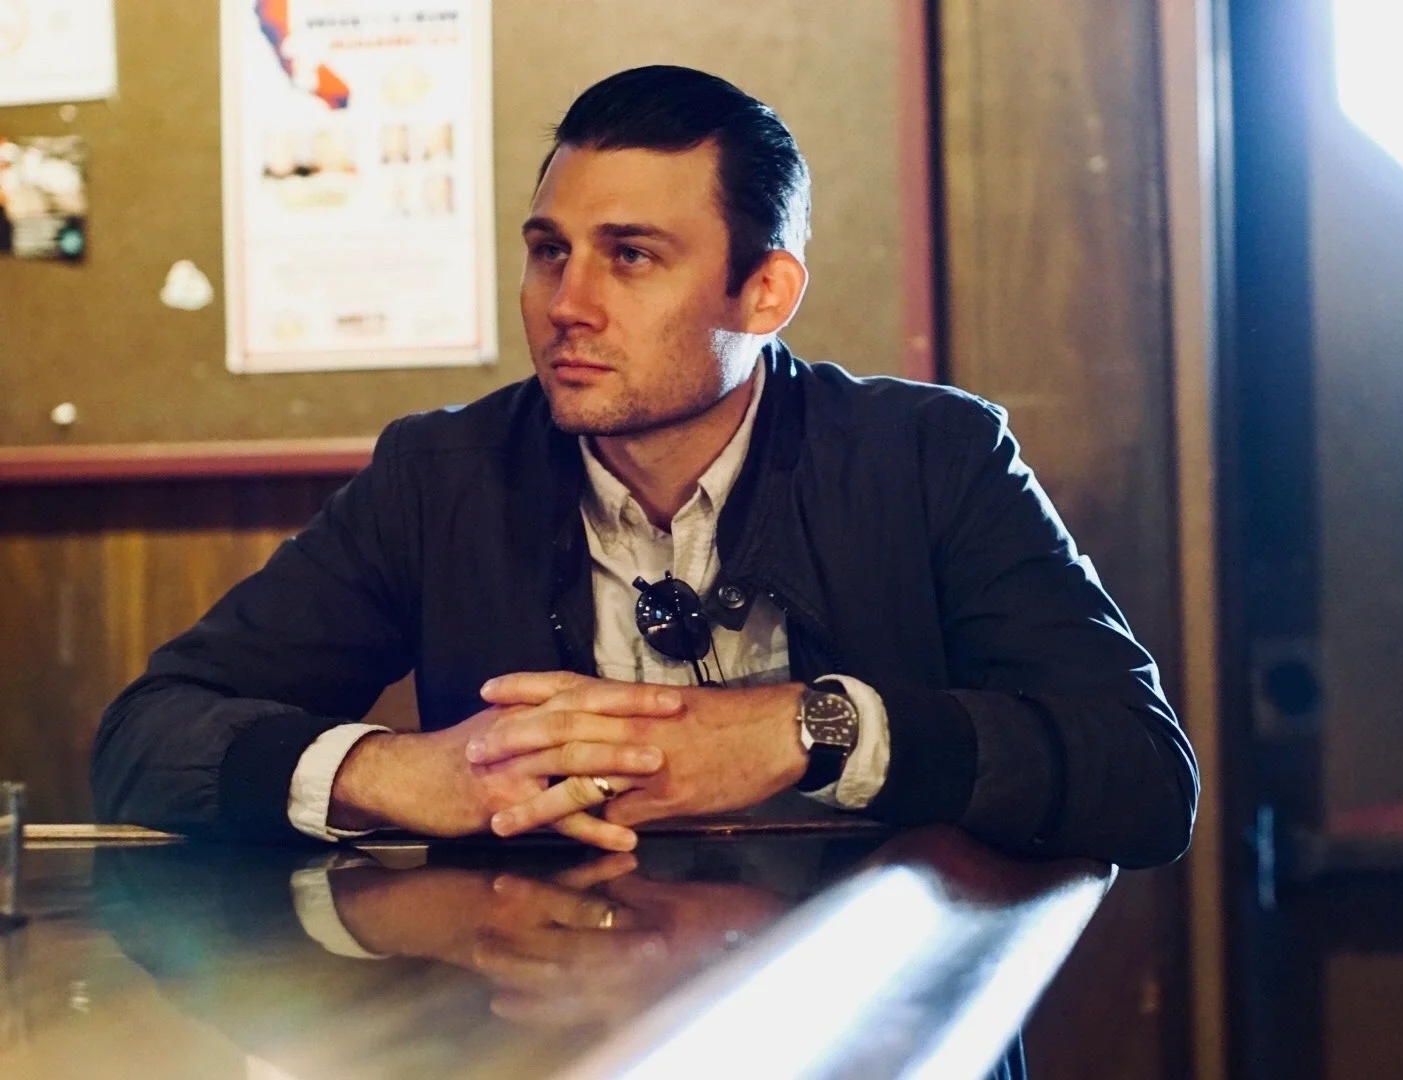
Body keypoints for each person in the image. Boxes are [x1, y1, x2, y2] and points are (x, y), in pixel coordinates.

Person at [92, 65, 1197, 867]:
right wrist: (401, 773)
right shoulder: (442, 474)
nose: (566, 304)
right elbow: (148, 735)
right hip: (547, 1022)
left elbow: (1140, 778)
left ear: (763, 292)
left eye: (630, 257)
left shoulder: (929, 457)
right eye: (547, 252)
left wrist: (815, 730)